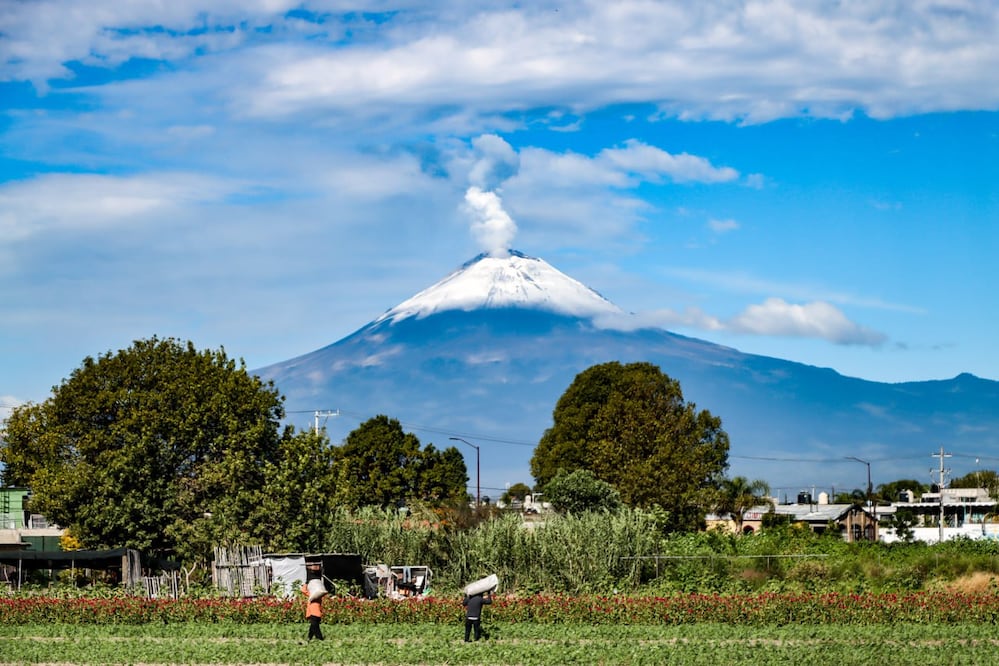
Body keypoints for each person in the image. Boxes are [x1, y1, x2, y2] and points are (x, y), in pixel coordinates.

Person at [302, 564, 324, 642]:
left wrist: (306, 583)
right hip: (315, 611)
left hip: (314, 611)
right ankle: (314, 638)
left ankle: (315, 638)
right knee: (314, 625)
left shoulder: (312, 594)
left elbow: (303, 590)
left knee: (314, 625)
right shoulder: (316, 593)